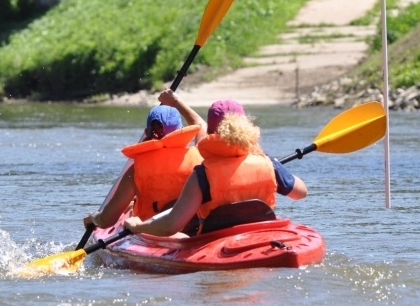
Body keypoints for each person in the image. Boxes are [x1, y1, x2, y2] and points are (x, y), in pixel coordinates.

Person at [123, 99, 308, 237]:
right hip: (262, 237)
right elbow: (300, 193)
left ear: (211, 133)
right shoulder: (268, 163)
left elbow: (172, 225)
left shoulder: (202, 175)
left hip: (215, 241)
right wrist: (274, 170)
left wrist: (138, 226)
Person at [83, 88, 205, 230]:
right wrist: (176, 101)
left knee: (130, 205)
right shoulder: (199, 155)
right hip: (194, 231)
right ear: (182, 130)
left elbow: (107, 220)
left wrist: (93, 217)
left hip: (151, 233)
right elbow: (201, 124)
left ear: (146, 132)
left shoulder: (137, 169)